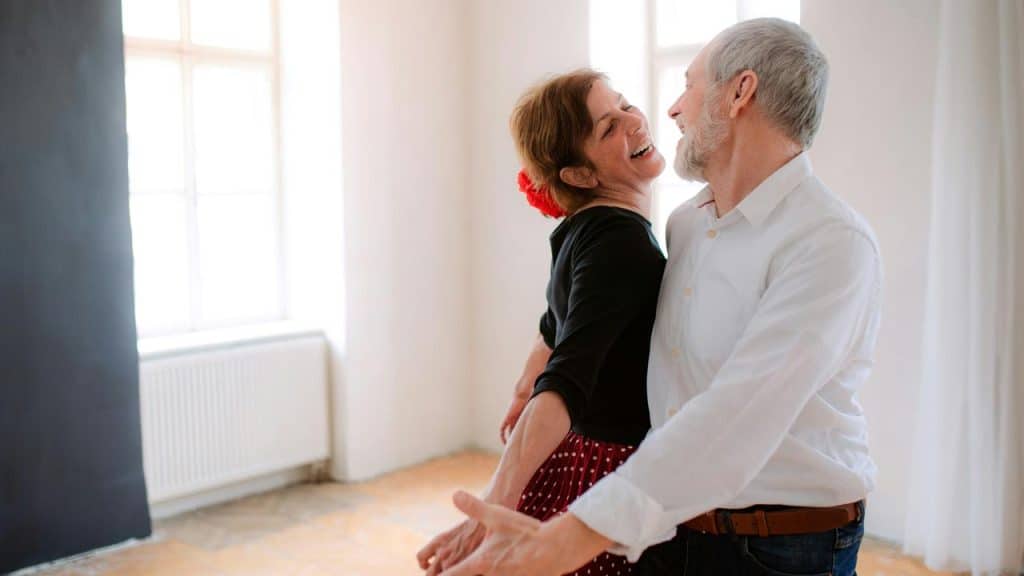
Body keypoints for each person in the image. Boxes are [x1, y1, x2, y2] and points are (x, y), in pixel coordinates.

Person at [436, 18, 881, 576]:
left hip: (783, 546)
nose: (670, 110)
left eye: (689, 86)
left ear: (740, 93)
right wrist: (533, 376)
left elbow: (735, 415)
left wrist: (565, 539)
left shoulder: (830, 243)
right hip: (671, 530)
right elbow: (574, 314)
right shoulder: (685, 225)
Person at [415, 69, 669, 576]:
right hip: (606, 470)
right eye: (607, 126)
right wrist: (493, 507)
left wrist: (522, 386)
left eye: (623, 104)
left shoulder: (581, 229)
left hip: (577, 459)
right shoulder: (618, 240)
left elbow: (553, 326)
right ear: (578, 175)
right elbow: (567, 376)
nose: (633, 120)